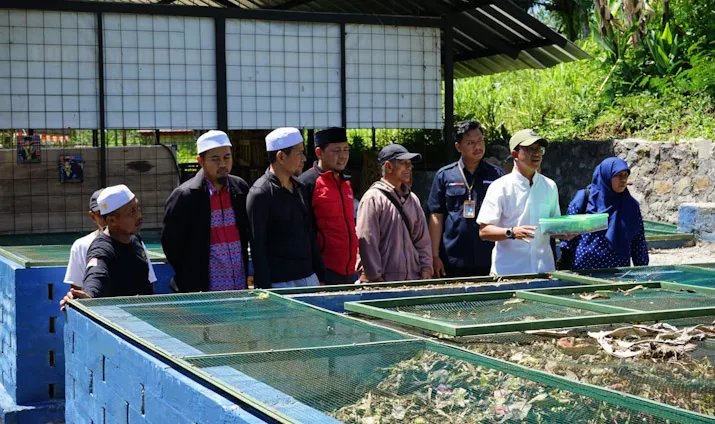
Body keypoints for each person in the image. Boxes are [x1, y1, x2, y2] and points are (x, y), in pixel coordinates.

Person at [162, 130, 250, 292]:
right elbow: (171, 245)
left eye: (227, 157)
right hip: (202, 292)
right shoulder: (185, 196)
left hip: (238, 287)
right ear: (200, 161)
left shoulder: (240, 189)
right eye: (215, 159)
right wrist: (191, 276)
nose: (222, 164)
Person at [477, 129, 570, 275]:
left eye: (539, 149)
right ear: (515, 154)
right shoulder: (499, 187)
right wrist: (511, 232)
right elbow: (484, 231)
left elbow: (552, 227)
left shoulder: (550, 186)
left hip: (544, 271)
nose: (536, 153)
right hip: (508, 273)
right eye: (530, 149)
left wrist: (565, 232)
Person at [247, 127, 324, 289]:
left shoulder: (300, 187)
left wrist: (320, 274)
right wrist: (266, 289)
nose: (304, 159)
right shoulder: (260, 194)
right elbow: (258, 247)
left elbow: (310, 233)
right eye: (299, 153)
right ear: (281, 157)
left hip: (309, 276)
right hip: (280, 283)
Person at [427, 120, 505, 278]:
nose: (478, 147)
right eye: (470, 143)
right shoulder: (445, 176)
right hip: (452, 257)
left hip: (488, 256)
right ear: (458, 147)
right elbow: (436, 216)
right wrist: (434, 255)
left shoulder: (496, 175)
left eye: (480, 141)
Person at [60, 185, 153, 309]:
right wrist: (87, 297)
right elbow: (96, 276)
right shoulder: (101, 250)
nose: (139, 216)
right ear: (112, 220)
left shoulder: (134, 239)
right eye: (131, 212)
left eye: (138, 208)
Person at [356, 144, 433, 282]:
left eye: (409, 163)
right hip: (383, 281)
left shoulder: (413, 199)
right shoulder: (373, 198)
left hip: (413, 280)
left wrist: (426, 269)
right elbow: (367, 242)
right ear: (389, 167)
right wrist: (375, 277)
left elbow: (423, 240)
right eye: (403, 163)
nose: (409, 167)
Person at [560, 157, 649, 270]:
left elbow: (638, 242)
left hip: (618, 273)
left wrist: (642, 270)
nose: (623, 180)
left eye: (625, 175)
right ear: (606, 175)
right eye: (618, 175)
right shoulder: (585, 199)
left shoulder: (631, 206)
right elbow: (568, 234)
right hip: (583, 272)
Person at [298, 127, 358, 285]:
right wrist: (316, 272)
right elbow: (305, 233)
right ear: (319, 152)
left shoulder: (345, 183)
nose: (343, 156)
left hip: (349, 272)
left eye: (346, 149)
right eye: (336, 150)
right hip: (323, 273)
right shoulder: (307, 183)